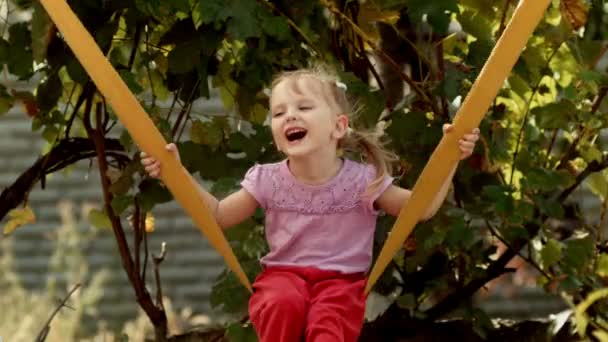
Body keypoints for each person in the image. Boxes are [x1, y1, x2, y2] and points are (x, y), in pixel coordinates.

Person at [140, 66, 480, 341]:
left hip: (341, 284)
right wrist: (174, 173)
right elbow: (216, 215)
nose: (289, 116)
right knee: (280, 303)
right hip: (282, 277)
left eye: (303, 108)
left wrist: (453, 157)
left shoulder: (362, 181)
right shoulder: (268, 179)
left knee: (329, 323)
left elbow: (421, 208)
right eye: (278, 112)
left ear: (338, 126)